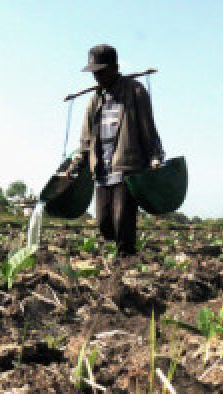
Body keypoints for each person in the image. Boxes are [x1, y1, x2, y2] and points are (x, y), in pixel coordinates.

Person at [67, 44, 163, 256]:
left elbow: (148, 127)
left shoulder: (135, 91)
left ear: (116, 67)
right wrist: (76, 164)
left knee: (122, 218)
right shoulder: (94, 100)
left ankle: (125, 259)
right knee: (104, 222)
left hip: (127, 167)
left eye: (101, 71)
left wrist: (155, 156)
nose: (97, 77)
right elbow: (85, 140)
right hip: (101, 169)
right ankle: (123, 247)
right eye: (94, 73)